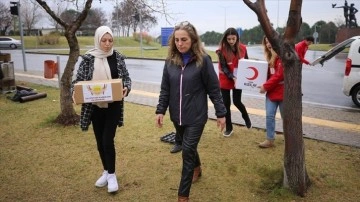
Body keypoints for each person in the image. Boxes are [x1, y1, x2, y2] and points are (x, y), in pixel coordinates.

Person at [155, 21, 226, 202]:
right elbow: (165, 89)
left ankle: (182, 195)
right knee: (189, 146)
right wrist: (160, 110)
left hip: (196, 116)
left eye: (184, 39)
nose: (180, 43)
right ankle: (198, 168)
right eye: (177, 40)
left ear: (193, 40)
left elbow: (214, 89)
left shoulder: (204, 60)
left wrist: (221, 113)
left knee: (187, 151)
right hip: (176, 116)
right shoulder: (170, 61)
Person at [71, 26, 132, 193]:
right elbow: (77, 82)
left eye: (110, 40)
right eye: (104, 40)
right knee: (99, 142)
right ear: (98, 40)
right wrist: (74, 93)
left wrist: (126, 87)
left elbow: (126, 78)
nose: (107, 44)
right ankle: (106, 171)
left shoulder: (117, 57)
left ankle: (112, 175)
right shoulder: (88, 59)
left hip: (113, 106)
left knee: (107, 140)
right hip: (94, 108)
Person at [216, 27, 252, 137]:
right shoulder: (221, 50)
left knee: (237, 101)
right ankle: (229, 128)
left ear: (237, 38)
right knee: (226, 104)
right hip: (226, 78)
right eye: (229, 39)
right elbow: (224, 67)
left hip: (238, 77)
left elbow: (246, 63)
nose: (231, 41)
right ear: (225, 39)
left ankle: (245, 116)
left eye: (233, 38)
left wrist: (245, 77)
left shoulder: (243, 48)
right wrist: (232, 77)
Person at [258, 36, 284, 148]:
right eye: (266, 42)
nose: (268, 44)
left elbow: (279, 75)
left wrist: (265, 86)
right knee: (269, 116)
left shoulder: (283, 57)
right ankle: (270, 139)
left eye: (270, 41)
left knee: (286, 118)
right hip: (271, 93)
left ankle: (290, 139)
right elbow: (267, 75)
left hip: (284, 93)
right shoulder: (269, 58)